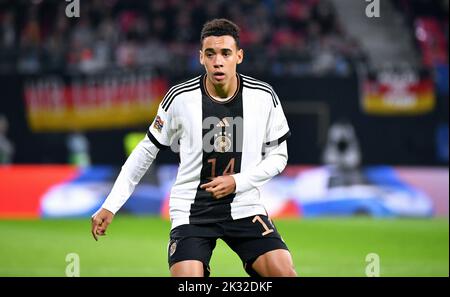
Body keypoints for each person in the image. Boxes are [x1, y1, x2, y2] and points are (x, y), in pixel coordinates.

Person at [91, 18, 297, 277]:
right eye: (210, 54)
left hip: (244, 205)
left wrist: (238, 181)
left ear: (239, 56)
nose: (218, 61)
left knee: (284, 274)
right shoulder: (180, 98)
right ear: (201, 57)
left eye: (225, 53)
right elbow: (145, 152)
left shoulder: (263, 96)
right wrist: (111, 204)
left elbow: (279, 156)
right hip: (192, 210)